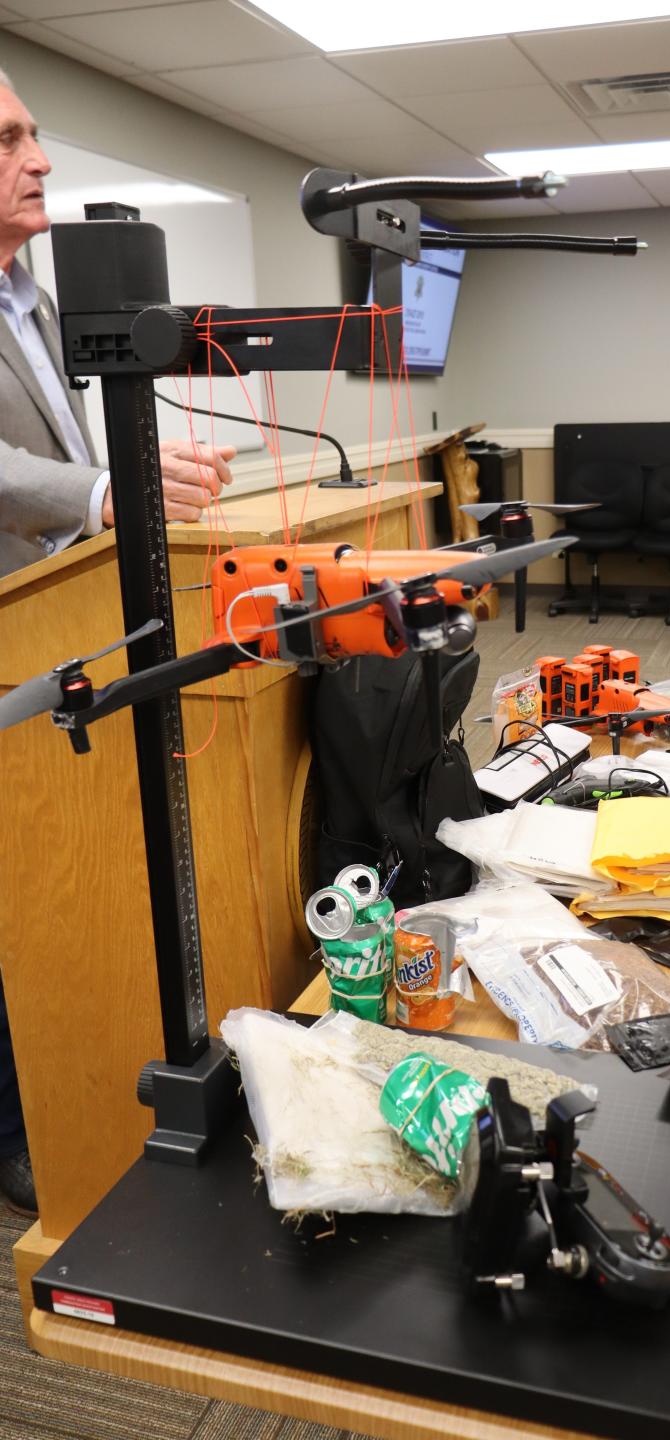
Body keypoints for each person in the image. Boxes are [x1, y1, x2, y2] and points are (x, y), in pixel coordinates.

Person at [0, 72, 237, 1214]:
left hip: (64, 625)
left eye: (36, 134)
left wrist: (135, 487)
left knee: (54, 891)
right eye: (9, 140)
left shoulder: (31, 295)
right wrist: (99, 492)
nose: (41, 159)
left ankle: (83, 1070)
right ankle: (16, 1129)